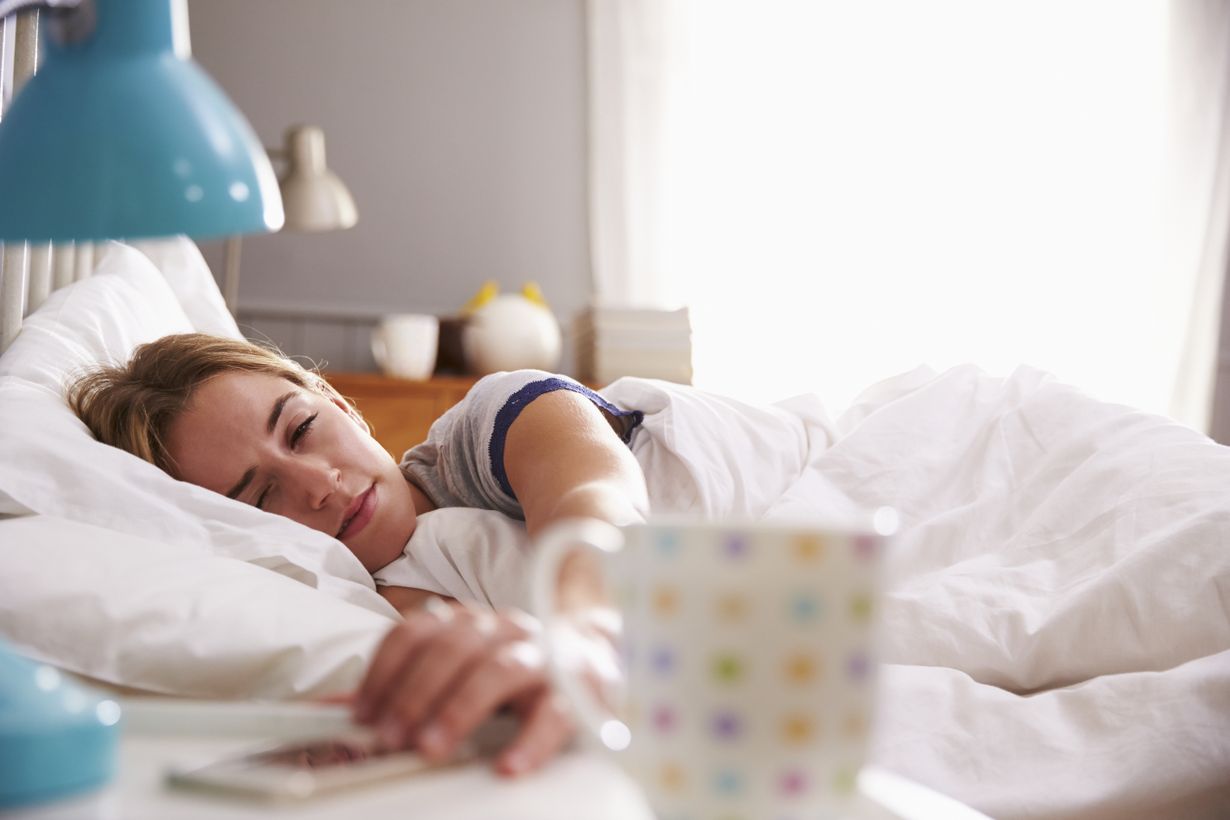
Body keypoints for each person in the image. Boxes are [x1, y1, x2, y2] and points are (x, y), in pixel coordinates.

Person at [67, 332, 827, 774]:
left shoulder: (488, 423)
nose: (320, 485)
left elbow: (593, 501)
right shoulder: (373, 593)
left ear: (339, 402)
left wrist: (585, 633)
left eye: (301, 430)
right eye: (261, 497)